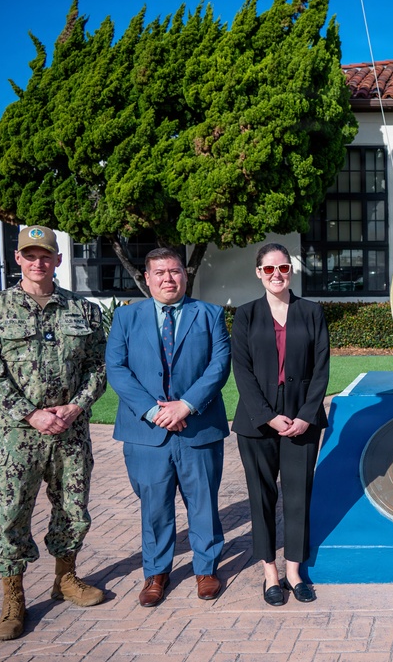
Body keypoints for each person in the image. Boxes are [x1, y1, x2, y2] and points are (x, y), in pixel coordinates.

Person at [0, 225, 107, 641]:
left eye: (45, 255)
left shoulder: (83, 312)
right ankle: (13, 598)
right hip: (17, 437)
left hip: (71, 431)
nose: (38, 262)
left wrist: (77, 405)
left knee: (73, 507)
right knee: (13, 516)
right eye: (30, 255)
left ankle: (66, 578)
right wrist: (30, 414)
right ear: (17, 259)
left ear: (57, 260)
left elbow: (98, 368)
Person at [105, 247, 231, 607]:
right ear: (147, 278)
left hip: (198, 427)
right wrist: (151, 410)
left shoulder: (209, 315)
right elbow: (117, 369)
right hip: (146, 433)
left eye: (174, 271)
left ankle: (206, 569)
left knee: (203, 502)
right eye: (159, 272)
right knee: (154, 506)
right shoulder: (126, 319)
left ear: (185, 275)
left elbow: (219, 365)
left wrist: (186, 405)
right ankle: (156, 573)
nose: (167, 278)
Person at [231, 244, 330, 606]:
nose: (277, 274)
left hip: (302, 422)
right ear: (258, 272)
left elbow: (322, 370)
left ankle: (294, 571)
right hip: (257, 423)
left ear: (292, 271)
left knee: (298, 496)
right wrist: (268, 416)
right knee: (261, 498)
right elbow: (241, 371)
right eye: (269, 269)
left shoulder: (312, 312)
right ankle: (269, 572)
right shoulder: (245, 315)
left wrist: (306, 415)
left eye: (283, 268)